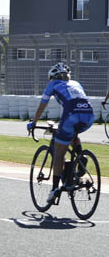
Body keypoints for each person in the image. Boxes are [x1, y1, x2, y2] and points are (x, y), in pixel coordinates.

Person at [28, 62, 95, 203]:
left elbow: (42, 105)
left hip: (71, 114)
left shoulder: (53, 84)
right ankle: (80, 156)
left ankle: (54, 190)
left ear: (53, 77)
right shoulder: (76, 83)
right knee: (72, 133)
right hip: (89, 115)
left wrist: (34, 122)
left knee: (59, 154)